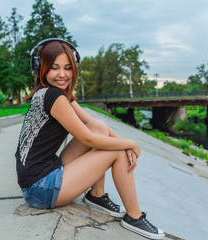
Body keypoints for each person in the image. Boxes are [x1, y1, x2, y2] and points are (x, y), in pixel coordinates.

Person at [15, 38, 165, 240]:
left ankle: (97, 195)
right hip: (40, 188)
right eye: (54, 68)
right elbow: (88, 140)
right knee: (116, 152)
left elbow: (92, 124)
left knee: (99, 126)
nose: (62, 74)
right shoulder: (54, 97)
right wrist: (130, 145)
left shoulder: (54, 93)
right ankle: (134, 217)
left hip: (41, 174)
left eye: (68, 68)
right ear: (40, 68)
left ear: (75, 68)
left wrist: (123, 141)